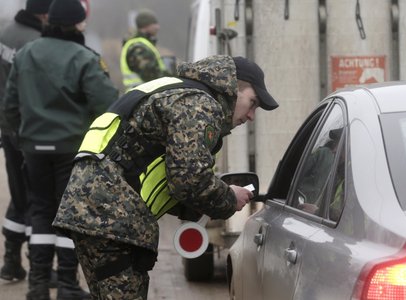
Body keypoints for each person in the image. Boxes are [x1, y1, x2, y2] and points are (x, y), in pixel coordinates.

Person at [52, 55, 278, 299]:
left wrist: (200, 205)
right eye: (252, 102)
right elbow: (190, 179)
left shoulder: (178, 91)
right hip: (109, 219)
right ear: (233, 88)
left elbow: (169, 178)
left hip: (97, 212)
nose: (251, 115)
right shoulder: (199, 103)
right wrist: (228, 198)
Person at [1, 0, 119, 298]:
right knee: (71, 214)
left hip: (33, 149)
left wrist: (19, 136)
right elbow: (106, 105)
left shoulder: (27, 53)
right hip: (71, 149)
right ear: (77, 24)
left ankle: (37, 285)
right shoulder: (84, 57)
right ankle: (67, 284)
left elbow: (10, 104)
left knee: (40, 210)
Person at [0, 0, 53, 282]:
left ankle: (11, 260)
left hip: (8, 126)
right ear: (44, 13)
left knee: (20, 193)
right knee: (39, 197)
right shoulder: (37, 42)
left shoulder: (5, 32)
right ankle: (39, 268)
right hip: (31, 129)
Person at [120, 9, 171, 91]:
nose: (158, 27)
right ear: (145, 25)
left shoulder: (143, 44)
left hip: (142, 94)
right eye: (154, 24)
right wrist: (172, 79)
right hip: (140, 96)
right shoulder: (137, 47)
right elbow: (150, 74)